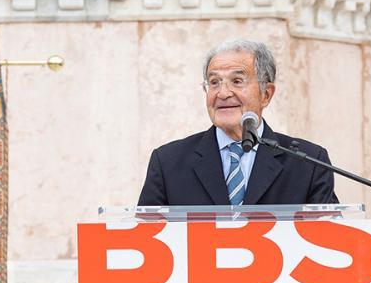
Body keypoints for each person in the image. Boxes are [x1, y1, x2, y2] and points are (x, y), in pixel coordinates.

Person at [137, 39, 338, 206]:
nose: (223, 93)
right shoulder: (168, 162)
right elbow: (146, 235)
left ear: (266, 94)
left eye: (237, 81)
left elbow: (328, 236)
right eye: (214, 82)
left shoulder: (308, 163)